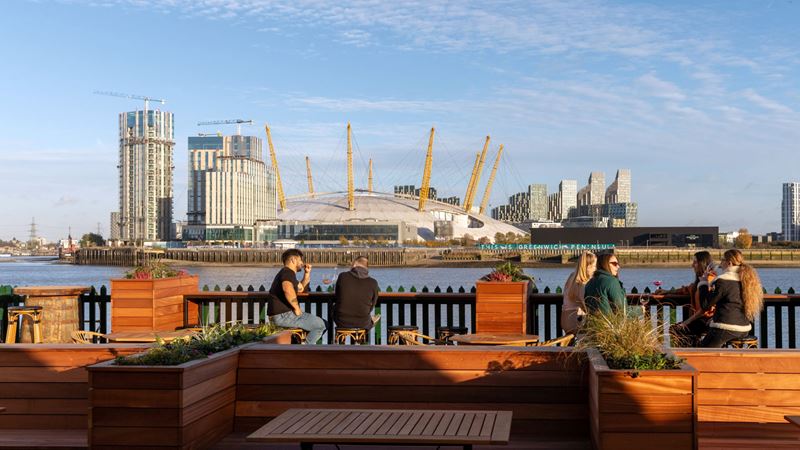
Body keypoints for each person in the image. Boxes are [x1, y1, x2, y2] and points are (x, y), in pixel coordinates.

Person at [700, 249, 764, 348]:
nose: (720, 263)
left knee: (702, 352)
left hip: (726, 327)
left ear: (729, 263)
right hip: (744, 328)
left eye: (722, 260)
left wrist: (703, 283)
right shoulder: (747, 279)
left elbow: (705, 304)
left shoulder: (723, 281)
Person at [268, 249, 327, 344]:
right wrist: (296, 308)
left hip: (280, 316)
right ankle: (305, 350)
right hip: (284, 316)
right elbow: (287, 288)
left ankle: (299, 345)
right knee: (321, 325)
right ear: (293, 260)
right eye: (300, 260)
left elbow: (301, 288)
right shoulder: (287, 272)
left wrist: (307, 273)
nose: (302, 263)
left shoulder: (287, 274)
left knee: (321, 323)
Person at [670, 251, 717, 346]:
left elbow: (706, 308)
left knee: (678, 329)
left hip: (708, 320)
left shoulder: (711, 280)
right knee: (676, 329)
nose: (692, 265)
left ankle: (689, 353)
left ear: (702, 263)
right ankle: (690, 351)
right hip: (700, 318)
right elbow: (688, 289)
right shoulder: (701, 280)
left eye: (695, 262)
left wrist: (688, 321)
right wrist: (667, 291)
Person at [333, 256, 380, 330]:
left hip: (341, 321)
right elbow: (373, 304)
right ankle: (362, 337)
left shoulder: (342, 276)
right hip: (363, 323)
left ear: (354, 264)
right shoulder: (373, 283)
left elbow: (337, 296)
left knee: (333, 308)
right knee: (372, 319)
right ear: (366, 268)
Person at [561, 251, 597, 334]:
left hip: (565, 321)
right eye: (594, 266)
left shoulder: (572, 277)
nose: (595, 269)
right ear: (587, 267)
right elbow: (587, 307)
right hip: (576, 323)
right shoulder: (581, 284)